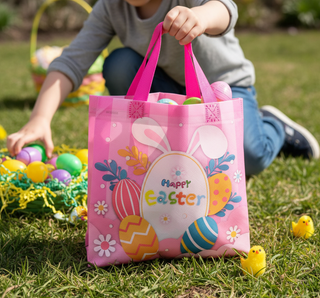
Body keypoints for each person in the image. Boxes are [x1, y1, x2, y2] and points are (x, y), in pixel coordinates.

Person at [7, 0, 319, 176]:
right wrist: (40, 118)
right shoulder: (110, 8)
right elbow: (72, 62)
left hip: (223, 89)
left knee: (249, 158)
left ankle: (272, 126)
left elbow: (227, 10)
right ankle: (163, 148)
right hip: (168, 90)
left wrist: (199, 15)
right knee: (119, 64)